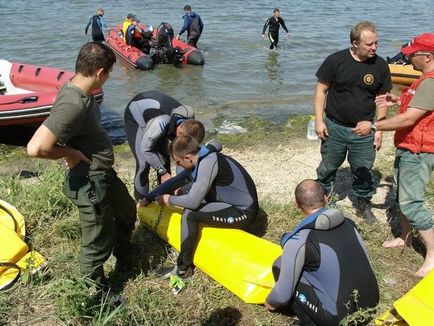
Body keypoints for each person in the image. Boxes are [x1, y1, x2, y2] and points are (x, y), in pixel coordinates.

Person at [26, 42, 136, 288]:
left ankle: (125, 260)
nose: (108, 79)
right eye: (108, 74)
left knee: (127, 212)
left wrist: (71, 149)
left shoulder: (77, 89)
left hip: (104, 175)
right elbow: (35, 148)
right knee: (97, 242)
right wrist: (71, 152)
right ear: (99, 72)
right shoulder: (73, 103)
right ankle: (94, 297)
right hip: (91, 181)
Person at [352, 33, 434, 277]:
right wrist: (397, 99)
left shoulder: (431, 81)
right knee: (400, 196)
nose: (408, 57)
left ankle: (432, 254)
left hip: (419, 152)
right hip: (408, 146)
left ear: (427, 56)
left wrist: (374, 126)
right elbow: (418, 107)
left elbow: (410, 119)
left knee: (412, 202)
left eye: (412, 54)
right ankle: (405, 238)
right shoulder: (424, 80)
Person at [265, 179, 379, 325]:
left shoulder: (301, 240)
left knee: (279, 265)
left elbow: (282, 295)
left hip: (341, 320)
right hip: (372, 305)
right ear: (326, 198)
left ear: (296, 204)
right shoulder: (349, 222)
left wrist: (270, 302)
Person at [313, 21, 392, 224]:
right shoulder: (335, 61)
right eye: (369, 44)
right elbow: (321, 91)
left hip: (364, 130)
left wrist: (379, 129)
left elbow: (383, 99)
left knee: (363, 169)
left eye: (376, 43)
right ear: (355, 43)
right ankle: (325, 198)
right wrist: (319, 121)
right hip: (334, 126)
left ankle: (363, 204)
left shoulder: (381, 65)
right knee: (328, 165)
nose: (374, 47)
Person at [154, 135, 259, 278]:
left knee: (190, 214)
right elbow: (174, 182)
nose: (178, 166)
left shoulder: (208, 163)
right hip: (229, 202)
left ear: (188, 158)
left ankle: (182, 269)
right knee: (187, 191)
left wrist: (169, 199)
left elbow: (192, 202)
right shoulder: (202, 156)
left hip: (243, 212)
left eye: (178, 162)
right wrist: (148, 198)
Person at [124, 90, 195, 202]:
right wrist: (163, 172)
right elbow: (145, 150)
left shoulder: (192, 126)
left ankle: (166, 197)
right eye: (180, 135)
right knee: (143, 163)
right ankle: (140, 201)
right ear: (178, 129)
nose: (181, 139)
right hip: (137, 116)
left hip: (160, 114)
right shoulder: (160, 123)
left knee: (164, 159)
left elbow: (184, 158)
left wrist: (181, 184)